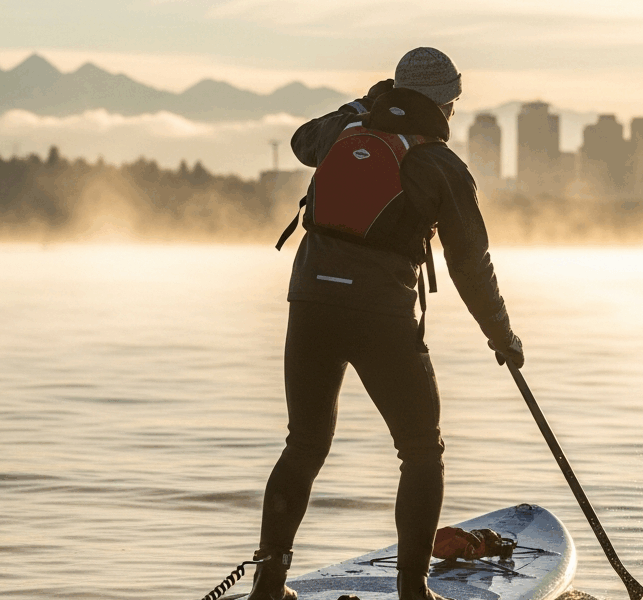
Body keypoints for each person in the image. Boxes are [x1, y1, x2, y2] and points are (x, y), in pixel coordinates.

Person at [249, 47, 524, 600]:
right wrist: (501, 335)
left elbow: (303, 140)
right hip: (380, 314)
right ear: (447, 104)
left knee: (303, 444)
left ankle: (268, 585)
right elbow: (469, 262)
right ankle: (413, 591)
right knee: (421, 451)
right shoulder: (442, 165)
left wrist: (361, 106)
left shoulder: (342, 133)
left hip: (310, 304)